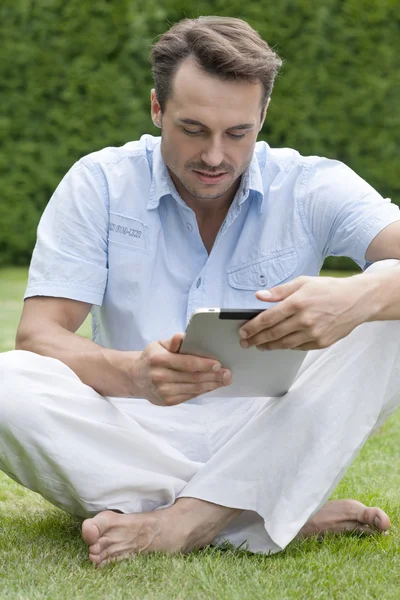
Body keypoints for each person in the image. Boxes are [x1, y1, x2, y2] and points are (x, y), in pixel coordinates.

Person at [1, 16, 400, 567]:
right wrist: (132, 374)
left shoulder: (311, 184)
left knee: (389, 307)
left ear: (262, 116)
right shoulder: (99, 182)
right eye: (193, 129)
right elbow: (39, 336)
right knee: (5, 383)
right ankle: (258, 512)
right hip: (133, 425)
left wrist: (356, 300)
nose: (215, 156)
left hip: (277, 425)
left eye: (237, 133)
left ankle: (189, 521)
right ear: (157, 109)